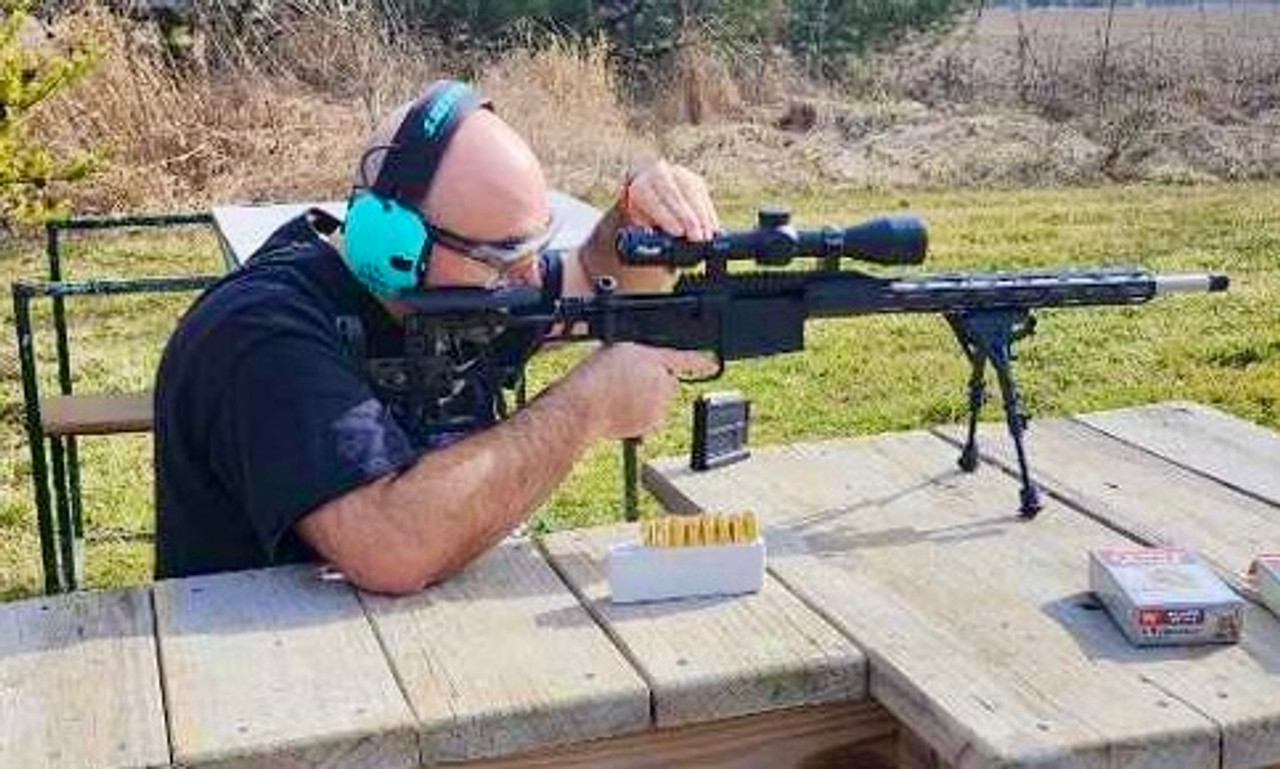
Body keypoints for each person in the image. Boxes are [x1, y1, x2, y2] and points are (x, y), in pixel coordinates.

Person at [153, 80, 720, 593]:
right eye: (504, 254)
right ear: (393, 244)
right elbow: (393, 549)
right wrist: (585, 410)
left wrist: (634, 220)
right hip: (268, 678)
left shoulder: (453, 290)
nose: (527, 274)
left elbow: (593, 280)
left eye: (534, 246)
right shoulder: (262, 334)